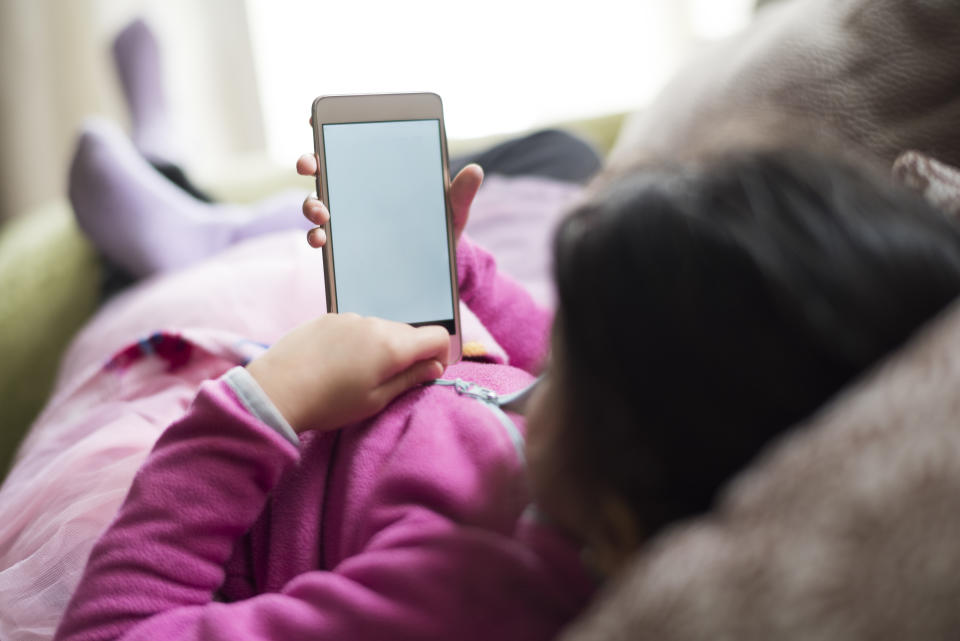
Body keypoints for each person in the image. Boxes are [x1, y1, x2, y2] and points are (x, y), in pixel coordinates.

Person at [52, 129, 960, 641]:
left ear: (612, 491)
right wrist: (461, 274)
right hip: (369, 392)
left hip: (222, 464)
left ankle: (174, 222)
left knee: (134, 292)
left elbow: (110, 632)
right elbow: (570, 368)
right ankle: (178, 172)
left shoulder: (461, 591)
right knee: (560, 153)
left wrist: (263, 401)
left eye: (580, 365)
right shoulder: (642, 452)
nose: (553, 362)